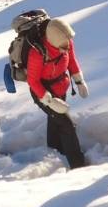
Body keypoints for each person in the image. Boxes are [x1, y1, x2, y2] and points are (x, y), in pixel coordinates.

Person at [27, 18, 89, 169]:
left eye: (68, 43)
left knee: (56, 120)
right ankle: (78, 165)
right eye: (63, 46)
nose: (67, 47)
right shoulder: (37, 53)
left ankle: (54, 150)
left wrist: (79, 81)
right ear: (54, 41)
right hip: (43, 93)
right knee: (67, 125)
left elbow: (72, 60)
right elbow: (33, 81)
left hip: (60, 87)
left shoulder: (66, 42)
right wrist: (50, 101)